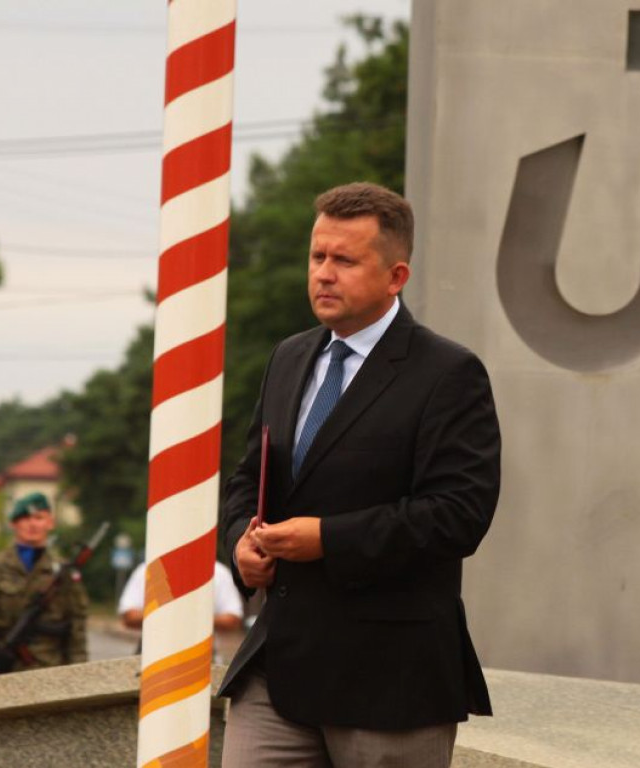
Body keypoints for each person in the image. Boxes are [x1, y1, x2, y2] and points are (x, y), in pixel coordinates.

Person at [217, 182, 501, 767]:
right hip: (277, 669)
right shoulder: (288, 357)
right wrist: (241, 540)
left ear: (396, 276)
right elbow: (249, 477)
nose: (323, 274)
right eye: (317, 256)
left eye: (344, 260)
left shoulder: (448, 373)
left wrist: (327, 539)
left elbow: (458, 515)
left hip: (391, 680)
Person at [0, 492, 88, 674]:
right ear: (13, 524)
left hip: (51, 671)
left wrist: (80, 674)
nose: (32, 524)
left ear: (50, 523)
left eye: (39, 518)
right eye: (25, 518)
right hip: (0, 670)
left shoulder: (63, 572)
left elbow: (77, 628)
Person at [117, 558, 244, 659]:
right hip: (150, 657)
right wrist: (170, 614)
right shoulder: (149, 569)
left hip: (202, 658)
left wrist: (188, 616)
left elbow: (233, 620)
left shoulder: (218, 572)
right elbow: (129, 617)